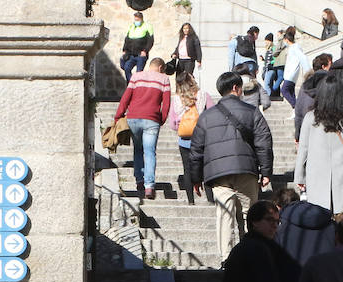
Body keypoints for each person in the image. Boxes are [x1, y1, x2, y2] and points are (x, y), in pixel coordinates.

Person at [192, 71, 273, 258]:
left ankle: (226, 259)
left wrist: (196, 178)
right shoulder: (252, 112)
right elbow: (264, 142)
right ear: (236, 88)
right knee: (249, 215)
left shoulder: (205, 117)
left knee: (224, 215)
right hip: (246, 170)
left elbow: (196, 150)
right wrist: (266, 171)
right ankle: (251, 255)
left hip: (218, 174)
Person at [295, 75, 343, 213]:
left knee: (319, 219)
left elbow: (303, 150)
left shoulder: (311, 118)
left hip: (316, 175)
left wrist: (299, 176)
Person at [112, 56, 170, 200]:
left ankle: (139, 180)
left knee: (138, 150)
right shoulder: (164, 79)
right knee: (150, 152)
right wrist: (161, 119)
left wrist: (118, 116)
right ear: (161, 67)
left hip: (134, 118)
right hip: (152, 119)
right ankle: (149, 186)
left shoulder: (136, 76)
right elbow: (167, 104)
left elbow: (126, 97)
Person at [167, 71, 213, 205]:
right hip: (203, 138)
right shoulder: (203, 95)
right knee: (206, 168)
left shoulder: (176, 99)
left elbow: (172, 124)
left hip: (185, 140)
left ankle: (191, 201)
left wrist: (182, 127)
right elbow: (213, 113)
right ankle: (210, 199)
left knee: (187, 169)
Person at [294, 52, 333, 133]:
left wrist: (297, 133)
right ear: (323, 67)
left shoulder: (305, 84)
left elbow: (298, 110)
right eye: (330, 64)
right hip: (326, 129)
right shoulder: (332, 83)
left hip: (307, 127)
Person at [280, 28, 311, 108]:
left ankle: (296, 106)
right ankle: (295, 111)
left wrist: (308, 71)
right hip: (291, 74)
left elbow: (303, 58)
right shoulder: (292, 48)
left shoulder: (294, 48)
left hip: (291, 74)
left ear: (286, 40)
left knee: (284, 90)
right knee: (291, 92)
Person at [119, 11, 153, 82]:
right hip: (131, 54)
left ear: (141, 19)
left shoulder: (147, 26)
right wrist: (124, 50)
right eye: (135, 20)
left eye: (138, 20)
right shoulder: (131, 27)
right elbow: (127, 40)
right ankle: (131, 84)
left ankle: (137, 88)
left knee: (139, 73)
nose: (136, 21)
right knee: (126, 68)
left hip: (140, 55)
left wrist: (145, 51)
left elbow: (150, 41)